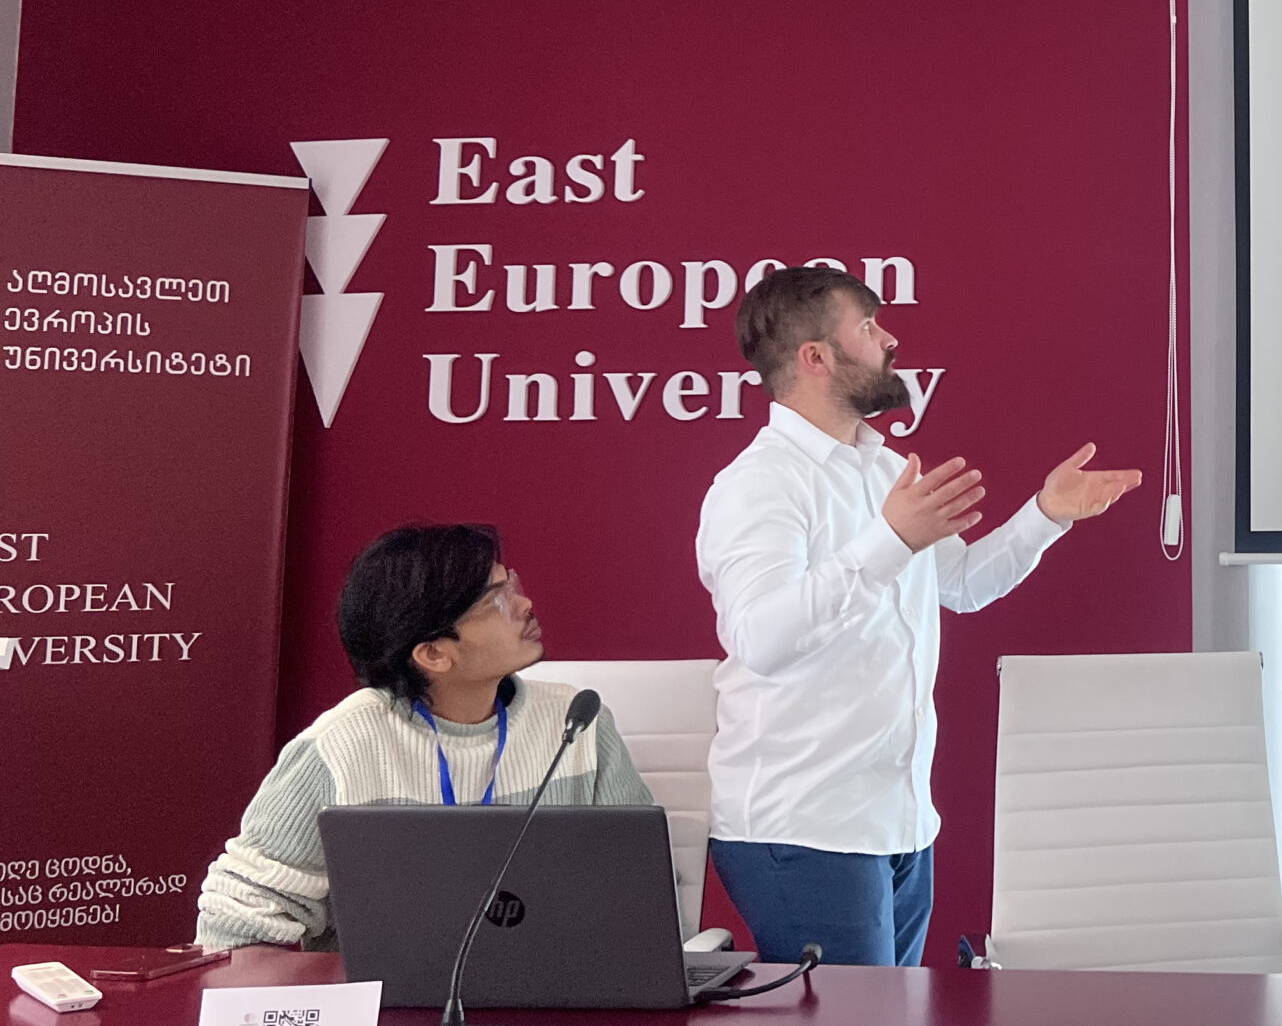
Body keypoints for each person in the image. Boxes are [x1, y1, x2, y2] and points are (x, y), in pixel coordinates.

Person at [697, 265, 1139, 967]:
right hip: (804, 826)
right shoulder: (758, 485)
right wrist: (890, 540)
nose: (889, 340)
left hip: (897, 824)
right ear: (816, 357)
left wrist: (1046, 515)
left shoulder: (883, 471)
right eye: (868, 327)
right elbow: (761, 637)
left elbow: (960, 584)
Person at [195, 523, 653, 951]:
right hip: (387, 1003)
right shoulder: (341, 746)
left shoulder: (576, 723)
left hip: (559, 989)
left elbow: (641, 880)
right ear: (434, 654)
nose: (524, 604)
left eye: (510, 584)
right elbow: (236, 920)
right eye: (496, 600)